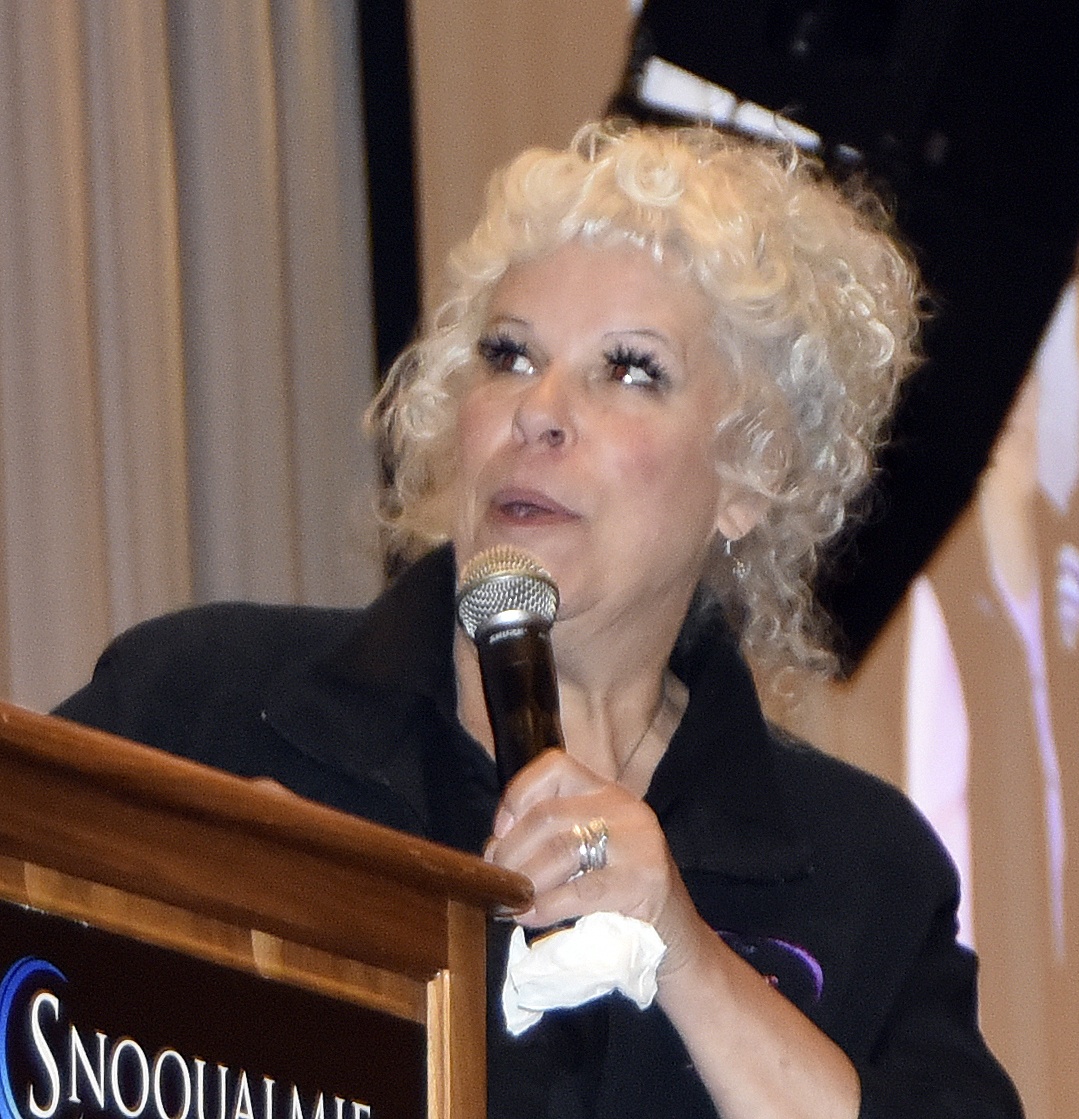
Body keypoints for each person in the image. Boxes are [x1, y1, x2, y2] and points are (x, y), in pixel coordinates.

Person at [56, 121, 1022, 1118]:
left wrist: (683, 956)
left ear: (752, 473)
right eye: (510, 357)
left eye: (630, 370)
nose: (540, 412)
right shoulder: (200, 706)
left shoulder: (860, 869)